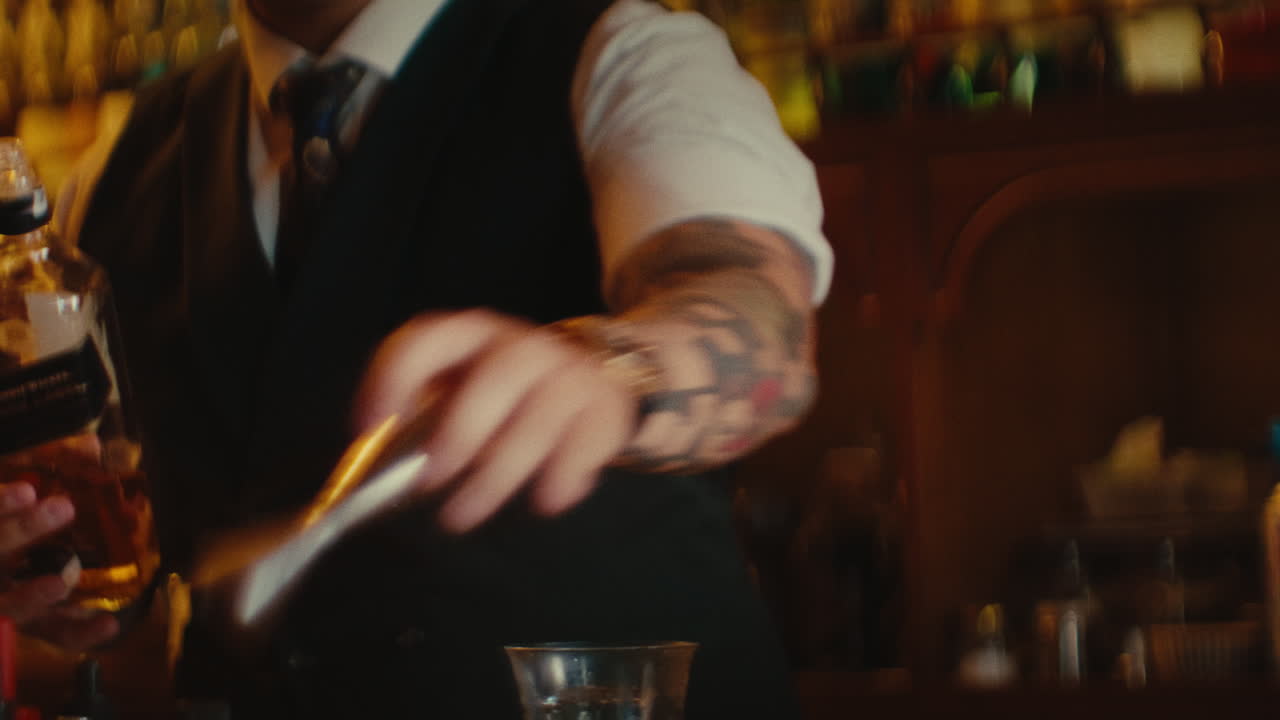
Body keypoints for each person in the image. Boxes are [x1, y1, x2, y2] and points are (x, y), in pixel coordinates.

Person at [3, 0, 832, 716]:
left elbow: (754, 310)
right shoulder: (110, 174)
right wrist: (70, 588)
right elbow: (129, 564)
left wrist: (616, 370)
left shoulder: (624, 50)